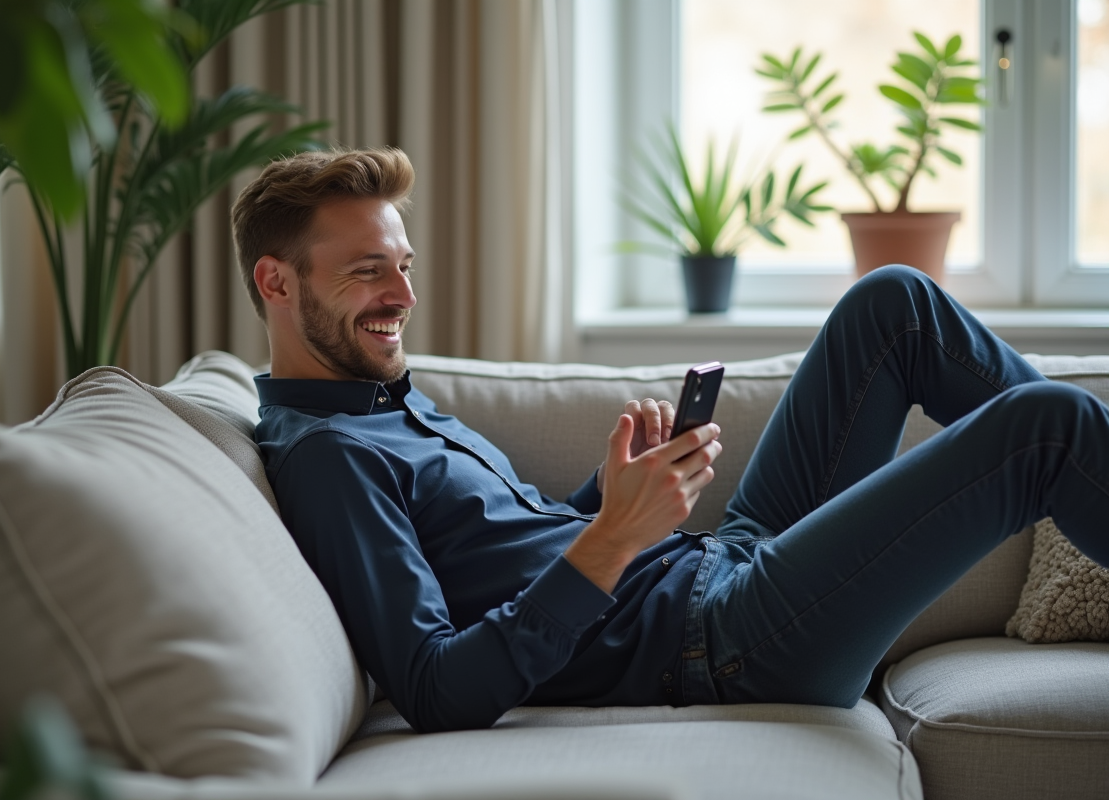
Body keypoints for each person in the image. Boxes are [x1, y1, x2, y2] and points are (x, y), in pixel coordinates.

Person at [235, 147, 1109, 734]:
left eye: (405, 265)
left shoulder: (386, 401)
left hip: (720, 567)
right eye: (366, 271)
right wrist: (616, 537)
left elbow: (505, 551)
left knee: (894, 306)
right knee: (1045, 428)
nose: (402, 295)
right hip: (726, 645)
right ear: (276, 282)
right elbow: (434, 687)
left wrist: (611, 496)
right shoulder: (329, 458)